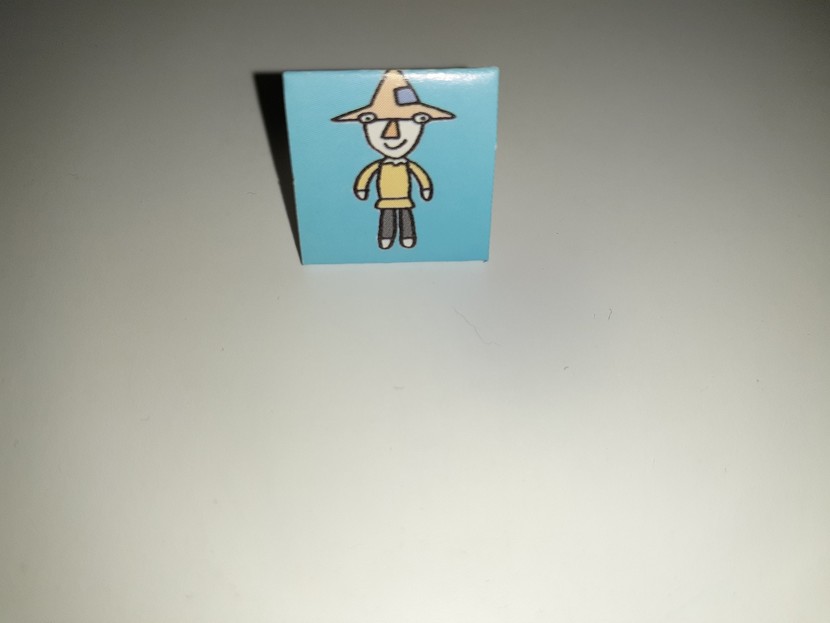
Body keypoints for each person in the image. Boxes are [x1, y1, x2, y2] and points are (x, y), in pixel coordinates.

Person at [332, 70, 455, 249]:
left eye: (405, 122)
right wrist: (361, 188)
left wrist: (426, 188)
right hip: (386, 200)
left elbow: (421, 176)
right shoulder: (379, 165)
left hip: (405, 198)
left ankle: (407, 236)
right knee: (387, 218)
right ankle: (386, 237)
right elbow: (366, 176)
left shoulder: (409, 165)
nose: (392, 134)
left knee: (406, 217)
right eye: (376, 122)